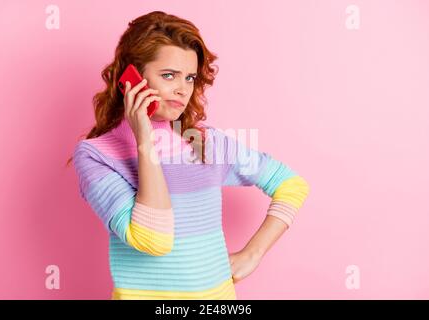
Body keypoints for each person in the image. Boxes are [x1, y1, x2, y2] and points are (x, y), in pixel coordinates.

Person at [66, 10, 310, 300]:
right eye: (169, 75)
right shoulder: (96, 154)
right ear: (130, 78)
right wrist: (145, 140)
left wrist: (253, 253)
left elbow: (292, 185)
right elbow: (153, 239)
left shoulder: (202, 142)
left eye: (190, 78)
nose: (182, 89)